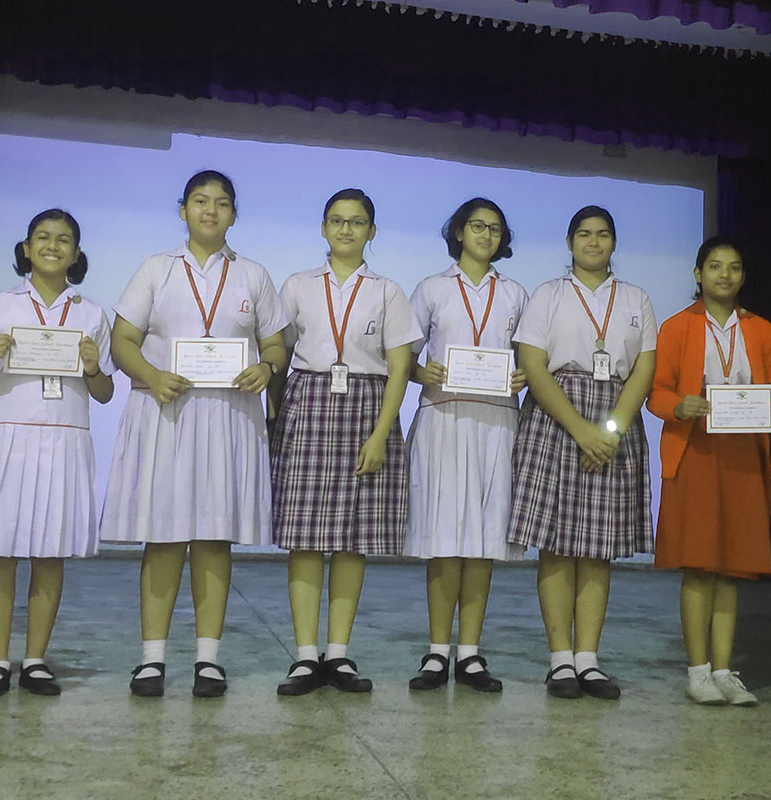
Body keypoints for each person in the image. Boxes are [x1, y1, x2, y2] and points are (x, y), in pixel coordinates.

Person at [103, 170, 289, 699]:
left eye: (222, 203)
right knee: (163, 536)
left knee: (213, 536)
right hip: (168, 413)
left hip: (229, 419)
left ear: (234, 214)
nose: (211, 210)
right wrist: (151, 374)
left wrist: (267, 370)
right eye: (200, 201)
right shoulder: (156, 269)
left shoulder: (252, 274)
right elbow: (123, 340)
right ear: (182, 209)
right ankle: (152, 660)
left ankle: (208, 660)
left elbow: (275, 347)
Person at [0, 209, 114, 700]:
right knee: (0, 550)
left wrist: (91, 366)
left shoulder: (91, 313)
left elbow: (104, 393)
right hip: (5, 438)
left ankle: (36, 660)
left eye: (64, 240)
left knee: (50, 551)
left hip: (63, 437)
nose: (53, 246)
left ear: (76, 254)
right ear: (25, 248)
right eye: (43, 237)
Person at [271, 188, 422, 696]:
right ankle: (305, 656)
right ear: (322, 227)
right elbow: (278, 354)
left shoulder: (387, 291)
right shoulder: (296, 286)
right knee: (305, 535)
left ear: (371, 231)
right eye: (336, 220)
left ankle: (338, 654)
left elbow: (400, 367)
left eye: (357, 222)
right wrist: (275, 417)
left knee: (354, 537)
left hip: (367, 406)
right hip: (309, 400)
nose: (346, 230)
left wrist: (381, 432)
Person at [509, 205, 658, 701]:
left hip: (613, 421)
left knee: (599, 549)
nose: (593, 242)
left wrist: (610, 432)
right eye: (584, 234)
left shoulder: (636, 298)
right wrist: (580, 430)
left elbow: (642, 369)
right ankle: (559, 661)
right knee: (555, 544)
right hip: (557, 419)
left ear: (614, 243)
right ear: (569, 242)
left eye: (603, 235)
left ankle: (589, 659)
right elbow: (532, 363)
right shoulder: (548, 295)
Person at [646, 236, 771, 706]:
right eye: (714, 266)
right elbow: (657, 395)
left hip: (743, 457)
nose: (724, 275)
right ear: (697, 275)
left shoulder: (762, 330)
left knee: (732, 569)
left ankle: (726, 670)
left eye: (733, 268)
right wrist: (679, 405)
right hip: (696, 453)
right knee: (698, 566)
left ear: (743, 277)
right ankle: (697, 670)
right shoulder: (676, 328)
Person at [403, 198, 530, 693]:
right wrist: (421, 372)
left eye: (495, 229)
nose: (486, 235)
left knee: (483, 542)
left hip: (497, 422)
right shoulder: (432, 289)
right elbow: (406, 360)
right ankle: (437, 652)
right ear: (457, 232)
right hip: (444, 419)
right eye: (477, 226)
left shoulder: (516, 293)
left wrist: (520, 375)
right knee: (443, 540)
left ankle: (471, 654)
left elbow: (527, 359)